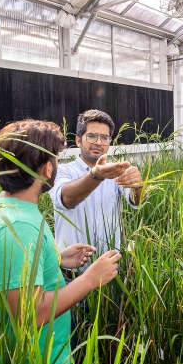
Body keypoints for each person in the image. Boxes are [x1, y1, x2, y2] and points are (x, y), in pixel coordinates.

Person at [0, 119, 122, 364]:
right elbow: (28, 314)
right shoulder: (19, 226)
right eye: (54, 159)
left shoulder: (6, 207)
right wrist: (90, 279)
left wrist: (57, 257)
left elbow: (14, 271)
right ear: (47, 168)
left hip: (39, 357)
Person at [50, 109, 146, 256]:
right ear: (78, 140)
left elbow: (136, 201)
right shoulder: (62, 171)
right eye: (92, 136)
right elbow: (65, 199)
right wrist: (96, 175)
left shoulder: (116, 171)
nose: (98, 143)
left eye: (105, 138)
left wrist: (138, 186)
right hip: (72, 273)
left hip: (110, 270)